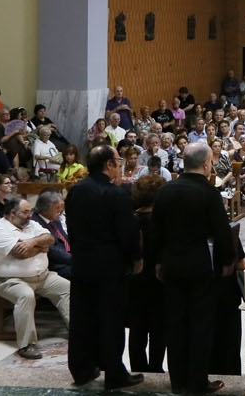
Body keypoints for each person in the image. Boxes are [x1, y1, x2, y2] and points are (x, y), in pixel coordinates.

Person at [151, 141, 236, 395]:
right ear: (207, 163)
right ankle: (197, 380)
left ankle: (177, 381)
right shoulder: (209, 192)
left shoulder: (166, 190)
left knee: (175, 323)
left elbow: (156, 231)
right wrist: (227, 261)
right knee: (200, 324)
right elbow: (222, 232)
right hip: (200, 265)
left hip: (171, 264)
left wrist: (156, 260)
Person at [65, 145, 143, 391]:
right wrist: (136, 257)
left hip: (81, 262)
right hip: (110, 264)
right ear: (109, 164)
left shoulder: (75, 191)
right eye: (117, 162)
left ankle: (82, 369)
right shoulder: (116, 194)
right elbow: (127, 233)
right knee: (111, 318)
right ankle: (114, 373)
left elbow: (72, 228)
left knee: (82, 317)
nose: (119, 167)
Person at [0, 194, 71, 360]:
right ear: (12, 213)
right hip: (10, 280)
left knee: (68, 288)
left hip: (43, 277)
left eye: (30, 211)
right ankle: (27, 344)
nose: (30, 215)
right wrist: (41, 247)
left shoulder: (31, 224)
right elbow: (22, 255)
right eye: (25, 212)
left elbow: (50, 239)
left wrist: (32, 243)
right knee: (26, 296)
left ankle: (79, 331)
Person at [127, 175, 165, 374]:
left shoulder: (130, 220)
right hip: (158, 280)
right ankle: (156, 368)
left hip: (135, 279)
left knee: (137, 328)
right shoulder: (161, 222)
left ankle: (138, 369)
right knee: (158, 328)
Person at [32, 189, 72, 280]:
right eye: (57, 208)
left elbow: (66, 239)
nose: (61, 211)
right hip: (55, 264)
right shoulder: (35, 224)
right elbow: (52, 251)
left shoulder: (55, 220)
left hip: (67, 257)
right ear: (45, 209)